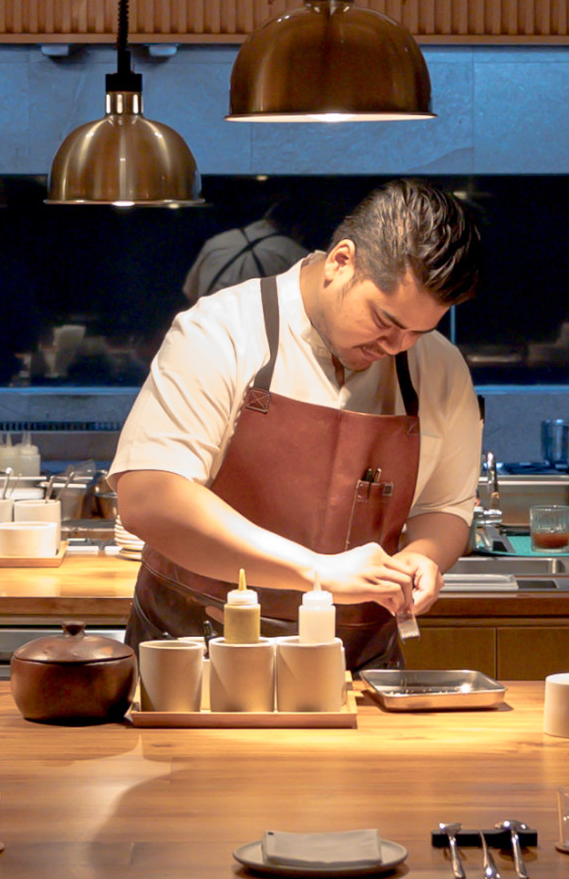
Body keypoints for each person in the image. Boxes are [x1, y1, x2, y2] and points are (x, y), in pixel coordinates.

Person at [110, 179, 485, 675]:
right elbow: (149, 497)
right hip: (190, 660)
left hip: (354, 673)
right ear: (340, 261)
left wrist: (425, 555)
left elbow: (444, 507)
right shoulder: (219, 331)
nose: (398, 345)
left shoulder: (439, 368)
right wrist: (319, 572)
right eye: (385, 319)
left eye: (419, 331)